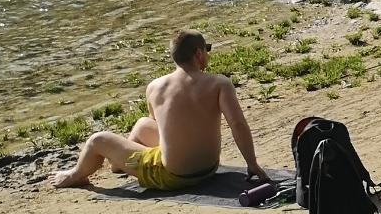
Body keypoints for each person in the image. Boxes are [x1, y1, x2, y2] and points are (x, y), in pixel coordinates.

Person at [48, 31, 267, 193]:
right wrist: (252, 163)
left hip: (173, 177)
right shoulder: (220, 83)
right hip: (208, 168)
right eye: (207, 49)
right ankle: (115, 165)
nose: (207, 55)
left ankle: (77, 174)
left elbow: (164, 130)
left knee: (97, 140)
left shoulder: (155, 87)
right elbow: (237, 124)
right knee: (143, 124)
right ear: (199, 53)